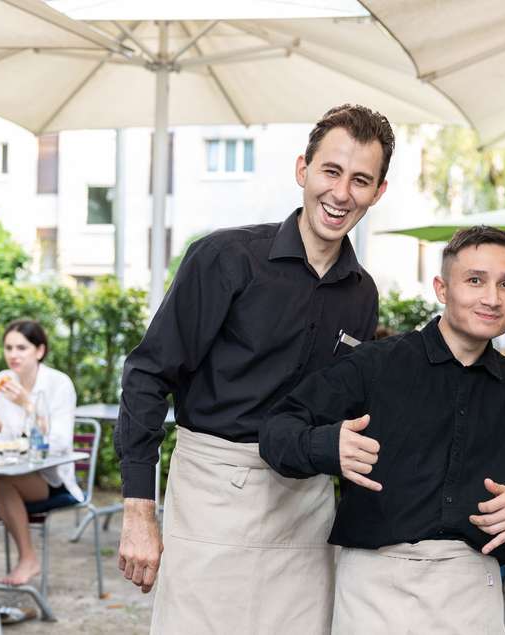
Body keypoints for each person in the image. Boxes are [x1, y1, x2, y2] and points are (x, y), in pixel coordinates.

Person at [115, 104, 393, 633]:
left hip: (306, 506)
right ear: (302, 170)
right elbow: (148, 375)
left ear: (377, 192)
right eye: (331, 171)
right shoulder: (224, 258)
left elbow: (346, 407)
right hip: (212, 495)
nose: (341, 193)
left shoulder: (363, 294)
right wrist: (139, 510)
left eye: (360, 180)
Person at [260, 226, 505, 633]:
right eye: (475, 280)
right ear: (442, 288)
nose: (492, 298)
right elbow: (277, 429)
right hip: (373, 584)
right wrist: (328, 446)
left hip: (472, 588)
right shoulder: (373, 365)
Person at [0, 319, 80, 586]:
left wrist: (27, 404)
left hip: (50, 478)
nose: (13, 355)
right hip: (2, 470)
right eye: (8, 348)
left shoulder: (59, 384)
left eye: (21, 348)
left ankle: (28, 559)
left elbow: (60, 443)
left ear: (39, 351)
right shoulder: (0, 382)